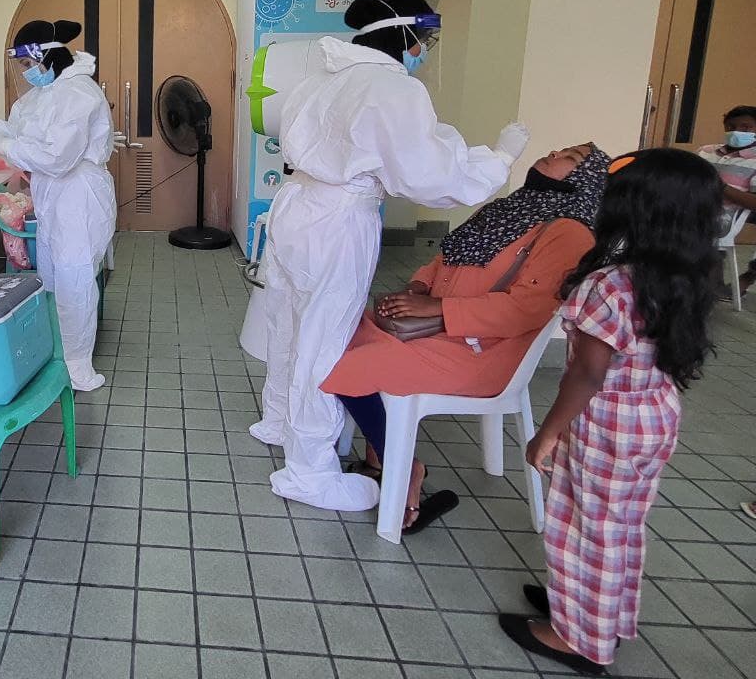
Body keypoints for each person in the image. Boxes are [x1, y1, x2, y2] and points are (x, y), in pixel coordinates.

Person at [249, 0, 531, 512]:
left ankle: (280, 422)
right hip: (337, 220)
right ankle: (309, 469)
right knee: (324, 336)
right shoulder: (392, 90)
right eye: (424, 38)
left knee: (287, 321)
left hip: (294, 208)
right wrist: (497, 160)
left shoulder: (318, 80)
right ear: (403, 34)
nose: (425, 49)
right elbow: (431, 178)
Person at [498, 149, 720, 675]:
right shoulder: (683, 276)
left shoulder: (611, 284)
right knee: (619, 525)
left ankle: (578, 640)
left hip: (606, 423)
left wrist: (547, 433)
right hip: (654, 416)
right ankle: (600, 617)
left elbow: (586, 374)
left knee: (583, 527)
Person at [323, 143, 610, 532]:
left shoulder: (569, 233)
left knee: (350, 363)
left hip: (483, 351)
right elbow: (444, 257)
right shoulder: (509, 208)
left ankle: (404, 469)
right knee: (337, 336)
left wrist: (439, 310)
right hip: (439, 330)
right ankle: (380, 455)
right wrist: (420, 288)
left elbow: (523, 309)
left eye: (571, 157)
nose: (554, 152)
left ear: (583, 180)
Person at [0, 20, 116, 392]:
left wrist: (3, 146)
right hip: (54, 194)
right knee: (53, 275)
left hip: (79, 194)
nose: (25, 74)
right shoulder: (47, 92)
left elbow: (57, 157)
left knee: (75, 278)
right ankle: (58, 353)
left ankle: (77, 367)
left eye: (27, 64)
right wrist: (3, 134)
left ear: (45, 55)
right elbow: (25, 128)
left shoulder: (78, 93)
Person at [697, 104, 756, 294]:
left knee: (712, 228)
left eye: (746, 127)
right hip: (698, 206)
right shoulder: (706, 152)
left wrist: (720, 187)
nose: (737, 132)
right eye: (731, 127)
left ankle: (749, 276)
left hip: (735, 209)